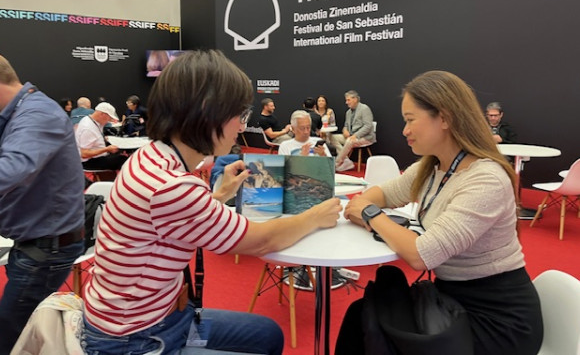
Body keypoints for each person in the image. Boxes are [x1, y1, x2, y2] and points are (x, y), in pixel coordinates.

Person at [81, 50, 341, 354]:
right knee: (267, 337)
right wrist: (316, 215)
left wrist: (219, 196)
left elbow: (172, 221)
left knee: (267, 334)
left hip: (159, 317)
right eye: (238, 115)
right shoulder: (172, 187)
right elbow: (262, 240)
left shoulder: (149, 157)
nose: (241, 127)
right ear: (207, 112)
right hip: (139, 338)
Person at [335, 71, 542, 355]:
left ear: (444, 118)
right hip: (450, 298)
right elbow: (380, 194)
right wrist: (368, 208)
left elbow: (420, 255)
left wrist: (371, 215)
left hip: (498, 321)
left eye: (410, 120)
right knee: (360, 316)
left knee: (375, 331)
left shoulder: (486, 179)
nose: (404, 130)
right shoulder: (431, 167)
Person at [0, 55, 85, 354]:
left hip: (46, 248)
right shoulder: (22, 113)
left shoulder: (37, 114)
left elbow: (11, 169)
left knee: (11, 336)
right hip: (35, 242)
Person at [331, 90, 376, 172]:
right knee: (332, 137)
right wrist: (345, 130)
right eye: (346, 100)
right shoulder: (348, 112)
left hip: (366, 137)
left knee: (349, 141)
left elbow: (368, 126)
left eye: (348, 100)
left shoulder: (364, 109)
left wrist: (356, 135)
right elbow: (346, 125)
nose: (346, 102)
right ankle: (346, 161)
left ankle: (337, 163)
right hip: (351, 136)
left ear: (355, 99)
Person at [75, 102, 128, 171]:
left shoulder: (89, 120)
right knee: (123, 160)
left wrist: (102, 139)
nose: (108, 121)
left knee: (120, 154)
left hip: (93, 157)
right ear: (102, 114)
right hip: (89, 161)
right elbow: (84, 154)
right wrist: (106, 149)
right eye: (109, 118)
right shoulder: (88, 128)